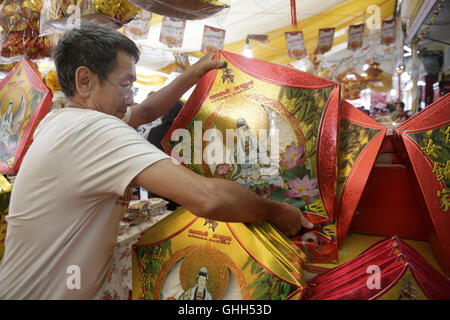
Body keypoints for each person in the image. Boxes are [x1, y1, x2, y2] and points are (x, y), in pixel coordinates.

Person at [0, 23, 312, 299]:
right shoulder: (95, 130)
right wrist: (277, 211)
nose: (131, 96)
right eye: (125, 84)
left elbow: (147, 111)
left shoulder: (62, 121)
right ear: (85, 81)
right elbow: (209, 198)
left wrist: (191, 74)